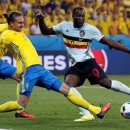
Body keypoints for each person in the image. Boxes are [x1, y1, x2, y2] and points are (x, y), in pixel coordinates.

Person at [0, 11, 111, 120]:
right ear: (11, 24)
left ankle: (97, 110)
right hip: (29, 72)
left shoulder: (18, 31)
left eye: (23, 22)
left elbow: (9, 25)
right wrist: (7, 22)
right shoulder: (6, 36)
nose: (23, 25)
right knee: (20, 105)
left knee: (66, 90)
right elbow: (4, 30)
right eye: (19, 23)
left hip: (41, 70)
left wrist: (8, 19)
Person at [36, 6, 130, 122]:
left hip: (89, 63)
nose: (81, 18)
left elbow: (109, 42)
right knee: (67, 87)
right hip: (76, 66)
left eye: (82, 16)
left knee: (107, 83)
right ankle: (86, 113)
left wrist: (128, 51)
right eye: (78, 16)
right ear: (73, 16)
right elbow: (46, 31)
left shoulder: (91, 29)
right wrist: (41, 20)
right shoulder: (64, 26)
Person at [0, 23, 35, 118]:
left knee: (20, 77)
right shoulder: (4, 27)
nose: (22, 25)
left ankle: (20, 110)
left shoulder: (14, 35)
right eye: (19, 23)